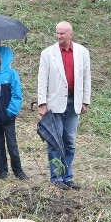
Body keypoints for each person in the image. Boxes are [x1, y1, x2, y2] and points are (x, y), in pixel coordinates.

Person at [37, 20, 91, 190]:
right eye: (57, 33)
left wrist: (85, 100)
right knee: (55, 140)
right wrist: (42, 103)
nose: (58, 36)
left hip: (74, 101)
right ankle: (56, 177)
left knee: (70, 141)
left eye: (62, 33)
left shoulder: (82, 52)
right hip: (54, 103)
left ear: (70, 34)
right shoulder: (47, 53)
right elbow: (42, 79)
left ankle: (68, 176)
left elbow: (86, 78)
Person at [0, 46, 29, 180]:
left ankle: (18, 170)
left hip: (8, 117)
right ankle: (2, 172)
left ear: (6, 57)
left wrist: (11, 112)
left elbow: (17, 95)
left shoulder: (12, 74)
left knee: (12, 145)